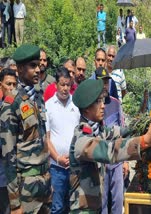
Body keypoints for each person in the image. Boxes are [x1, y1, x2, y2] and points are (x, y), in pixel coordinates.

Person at [69, 79, 151, 212]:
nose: (103, 106)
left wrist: (150, 124)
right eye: (98, 102)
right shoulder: (81, 139)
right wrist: (144, 141)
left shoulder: (99, 131)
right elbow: (110, 151)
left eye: (102, 101)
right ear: (87, 108)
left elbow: (123, 131)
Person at [0, 44, 51, 213]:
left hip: (44, 184)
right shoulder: (11, 104)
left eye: (39, 65)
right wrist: (14, 203)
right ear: (20, 69)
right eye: (32, 66)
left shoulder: (38, 97)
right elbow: (8, 157)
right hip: (26, 189)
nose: (38, 69)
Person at [45, 67, 80, 214]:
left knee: (74, 207)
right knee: (58, 207)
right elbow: (46, 139)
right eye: (62, 84)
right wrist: (58, 158)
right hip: (56, 169)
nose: (65, 88)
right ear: (56, 85)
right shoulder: (48, 106)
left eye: (68, 85)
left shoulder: (76, 105)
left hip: (75, 168)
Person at [92, 67, 126, 214]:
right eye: (102, 82)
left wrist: (125, 161)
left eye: (107, 82)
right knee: (103, 202)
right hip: (101, 162)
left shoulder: (116, 103)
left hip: (117, 159)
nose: (105, 85)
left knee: (118, 201)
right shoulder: (91, 106)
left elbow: (123, 130)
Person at [0, 68, 17, 214]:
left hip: (12, 178)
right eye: (8, 84)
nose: (11, 88)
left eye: (14, 84)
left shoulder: (19, 111)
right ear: (1, 85)